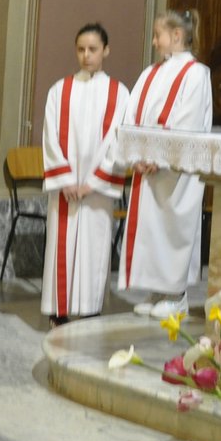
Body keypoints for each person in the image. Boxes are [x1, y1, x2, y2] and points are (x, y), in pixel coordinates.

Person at [111, 9, 212, 317]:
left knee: (172, 229)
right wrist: (135, 156)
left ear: (177, 36)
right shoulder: (150, 73)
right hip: (147, 169)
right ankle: (157, 293)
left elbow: (188, 121)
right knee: (149, 230)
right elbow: (131, 117)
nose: (154, 42)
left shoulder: (196, 73)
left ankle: (177, 295)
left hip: (175, 172)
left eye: (158, 35)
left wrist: (159, 158)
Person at [41, 23, 130, 324]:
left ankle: (90, 309)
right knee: (61, 247)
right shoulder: (59, 90)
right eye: (80, 49)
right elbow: (50, 137)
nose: (86, 55)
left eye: (93, 49)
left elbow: (118, 141)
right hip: (66, 188)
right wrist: (66, 180)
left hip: (95, 190)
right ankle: (59, 310)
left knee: (94, 247)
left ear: (106, 50)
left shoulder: (119, 94)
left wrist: (92, 183)